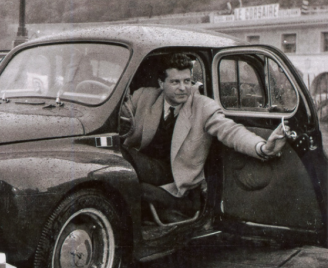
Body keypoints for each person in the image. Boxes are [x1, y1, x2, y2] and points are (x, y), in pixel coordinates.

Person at [122, 53, 289, 223]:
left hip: (178, 180)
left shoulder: (203, 106)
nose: (183, 88)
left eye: (187, 81)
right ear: (161, 83)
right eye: (175, 82)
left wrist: (262, 147)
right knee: (117, 159)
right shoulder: (144, 96)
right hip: (147, 167)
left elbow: (231, 131)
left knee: (124, 172)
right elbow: (118, 115)